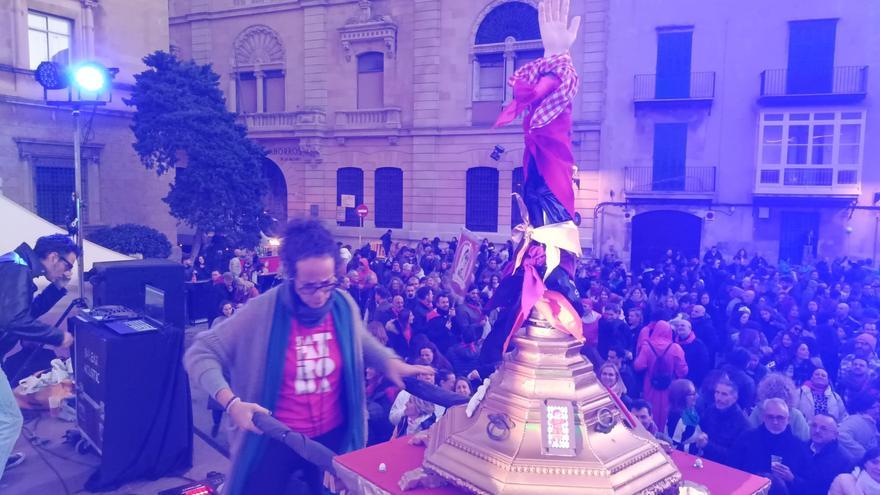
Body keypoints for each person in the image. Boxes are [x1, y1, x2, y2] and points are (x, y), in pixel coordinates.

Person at [184, 219, 431, 494]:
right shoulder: (262, 311)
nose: (320, 296)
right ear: (291, 277)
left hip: (330, 438)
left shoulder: (342, 305)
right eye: (309, 287)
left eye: (327, 284)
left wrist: (389, 362)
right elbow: (201, 351)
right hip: (275, 439)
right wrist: (231, 403)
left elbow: (359, 340)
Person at [0, 234, 77, 479]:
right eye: (68, 265)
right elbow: (14, 320)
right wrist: (57, 337)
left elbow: (26, 312)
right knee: (10, 420)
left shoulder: (16, 264)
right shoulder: (17, 270)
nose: (68, 271)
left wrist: (58, 288)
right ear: (53, 257)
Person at [731, 398, 810, 494]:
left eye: (780, 417)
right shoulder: (746, 439)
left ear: (788, 419)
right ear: (763, 417)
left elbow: (808, 484)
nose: (775, 422)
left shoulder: (799, 446)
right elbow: (733, 469)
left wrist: (792, 478)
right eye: (770, 417)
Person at [633, 320, 688, 428]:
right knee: (666, 410)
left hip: (650, 384)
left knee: (649, 408)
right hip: (669, 385)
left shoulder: (647, 346)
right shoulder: (676, 348)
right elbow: (683, 371)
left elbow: (638, 366)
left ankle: (649, 430)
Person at [791, 414, 853, 495]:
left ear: (835, 435)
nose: (817, 431)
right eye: (814, 426)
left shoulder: (843, 460)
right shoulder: (801, 448)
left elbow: (822, 489)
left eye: (823, 428)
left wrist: (793, 479)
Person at [700, 378, 750, 465]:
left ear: (734, 398)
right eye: (717, 392)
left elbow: (736, 456)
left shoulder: (742, 423)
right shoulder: (710, 410)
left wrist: (708, 445)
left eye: (724, 394)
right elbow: (701, 429)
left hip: (724, 467)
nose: (718, 398)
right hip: (703, 460)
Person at [665, 379, 707, 455]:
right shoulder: (678, 420)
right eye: (692, 394)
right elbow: (673, 448)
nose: (697, 396)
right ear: (681, 397)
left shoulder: (691, 410)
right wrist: (696, 446)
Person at [837, 393, 880, 464]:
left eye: (878, 407)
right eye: (874, 408)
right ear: (864, 408)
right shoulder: (855, 420)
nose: (877, 411)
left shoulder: (870, 422)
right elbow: (840, 434)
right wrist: (862, 453)